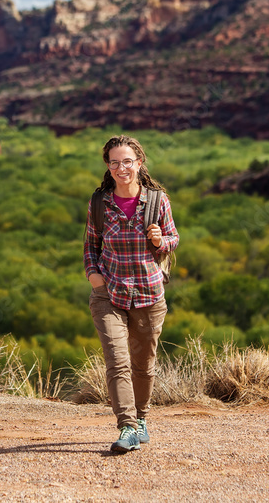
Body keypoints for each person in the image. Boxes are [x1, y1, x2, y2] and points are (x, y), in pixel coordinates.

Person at [83, 135, 179, 453]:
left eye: (127, 161)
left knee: (143, 364)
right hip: (108, 293)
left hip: (149, 294)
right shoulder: (99, 202)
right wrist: (94, 277)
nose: (121, 167)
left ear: (139, 163)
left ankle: (141, 418)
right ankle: (127, 426)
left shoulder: (156, 200)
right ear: (108, 166)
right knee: (117, 361)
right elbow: (90, 244)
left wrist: (158, 241)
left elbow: (173, 239)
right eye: (114, 162)